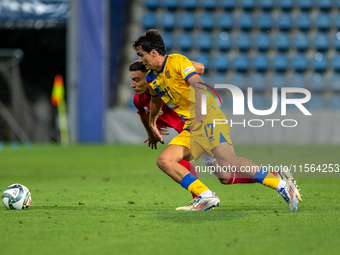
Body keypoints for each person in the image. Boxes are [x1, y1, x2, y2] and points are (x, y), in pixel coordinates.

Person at [133, 29, 301, 211]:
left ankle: (282, 185)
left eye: (141, 56)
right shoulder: (151, 77)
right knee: (166, 160)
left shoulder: (177, 61)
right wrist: (151, 123)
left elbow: (197, 83)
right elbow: (156, 100)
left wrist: (199, 108)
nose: (140, 61)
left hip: (208, 118)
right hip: (192, 127)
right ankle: (205, 196)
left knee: (229, 162)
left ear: (154, 53)